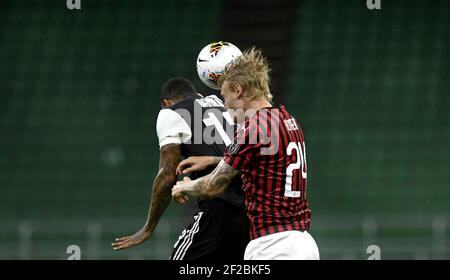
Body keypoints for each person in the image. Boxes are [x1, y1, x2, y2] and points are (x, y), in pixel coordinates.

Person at [172, 49, 320, 260]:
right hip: (303, 244)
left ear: (238, 90)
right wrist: (218, 159)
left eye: (224, 96)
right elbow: (266, 163)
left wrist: (184, 186)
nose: (224, 106)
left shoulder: (252, 128)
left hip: (273, 247)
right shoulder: (288, 120)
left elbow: (212, 185)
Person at [112, 77, 249, 260]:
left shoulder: (171, 112)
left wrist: (148, 228)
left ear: (166, 102)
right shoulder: (221, 103)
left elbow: (167, 175)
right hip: (251, 209)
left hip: (219, 207)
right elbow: (243, 154)